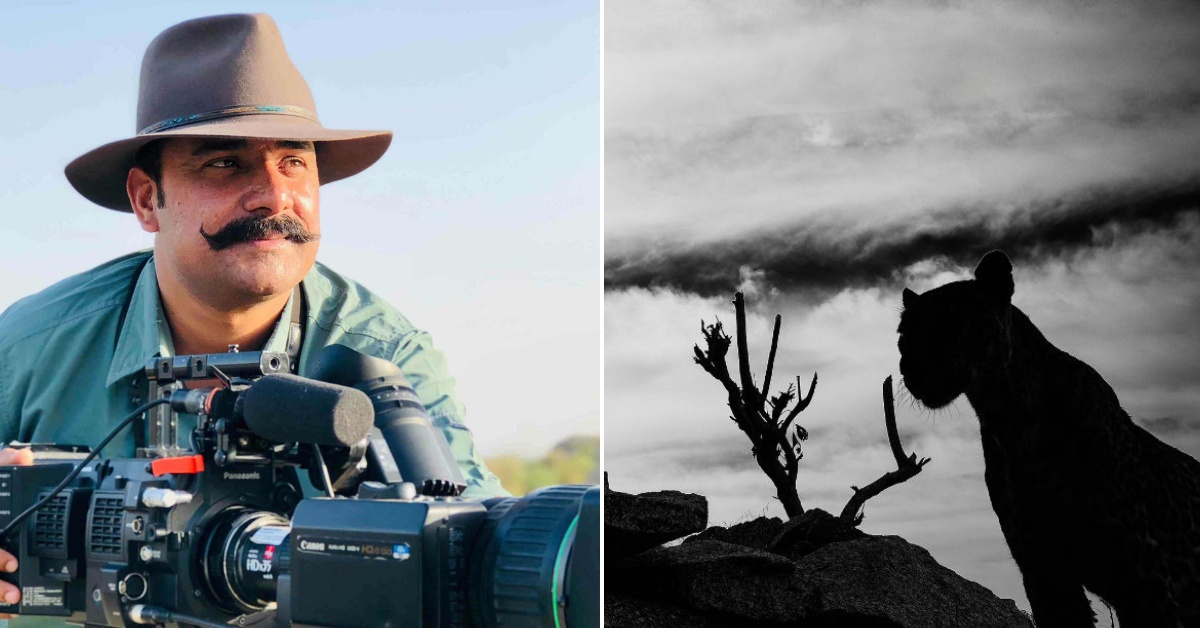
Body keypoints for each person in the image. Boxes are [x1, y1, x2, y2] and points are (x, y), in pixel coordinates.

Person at [0, 13, 507, 618]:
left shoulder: (381, 353)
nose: (273, 193)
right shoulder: (30, 345)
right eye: (224, 164)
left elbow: (476, 534)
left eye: (294, 162)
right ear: (145, 199)